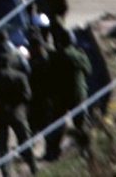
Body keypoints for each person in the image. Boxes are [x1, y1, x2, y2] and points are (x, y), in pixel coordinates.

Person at [39, 26, 91, 162]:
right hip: (78, 94)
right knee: (81, 124)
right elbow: (88, 71)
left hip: (60, 96)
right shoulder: (80, 55)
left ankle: (53, 152)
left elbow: (47, 75)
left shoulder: (55, 57)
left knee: (57, 125)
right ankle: (85, 151)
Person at [0, 45, 35, 176]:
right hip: (17, 113)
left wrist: (0, 104)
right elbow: (27, 96)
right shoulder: (20, 76)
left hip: (0, 114)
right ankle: (32, 166)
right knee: (25, 140)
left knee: (2, 145)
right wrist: (16, 104)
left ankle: (6, 172)